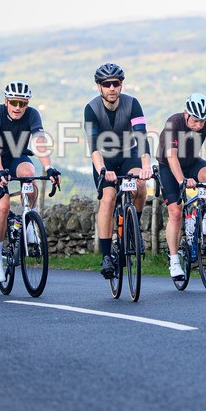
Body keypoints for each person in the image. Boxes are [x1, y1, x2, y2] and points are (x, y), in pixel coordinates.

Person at [0, 81, 61, 282]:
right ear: (6, 101)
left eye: (22, 103)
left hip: (16, 156)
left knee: (29, 172)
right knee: (3, 206)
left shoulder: (33, 115)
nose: (18, 107)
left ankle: (28, 220)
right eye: (14, 102)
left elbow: (39, 142)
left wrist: (49, 167)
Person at [84, 63, 153, 279]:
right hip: (104, 159)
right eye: (107, 84)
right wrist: (103, 170)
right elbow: (94, 147)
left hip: (128, 154)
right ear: (99, 87)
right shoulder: (91, 109)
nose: (112, 88)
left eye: (116, 83)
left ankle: (133, 230)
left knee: (140, 185)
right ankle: (106, 256)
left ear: (121, 85)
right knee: (109, 196)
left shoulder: (133, 104)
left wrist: (147, 166)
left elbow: (141, 137)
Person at [157, 93, 206, 279]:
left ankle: (200, 215)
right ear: (186, 113)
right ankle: (174, 261)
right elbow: (171, 157)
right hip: (168, 166)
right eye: (195, 121)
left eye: (202, 122)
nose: (199, 126)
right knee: (176, 212)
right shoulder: (174, 123)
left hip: (192, 162)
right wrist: (182, 180)